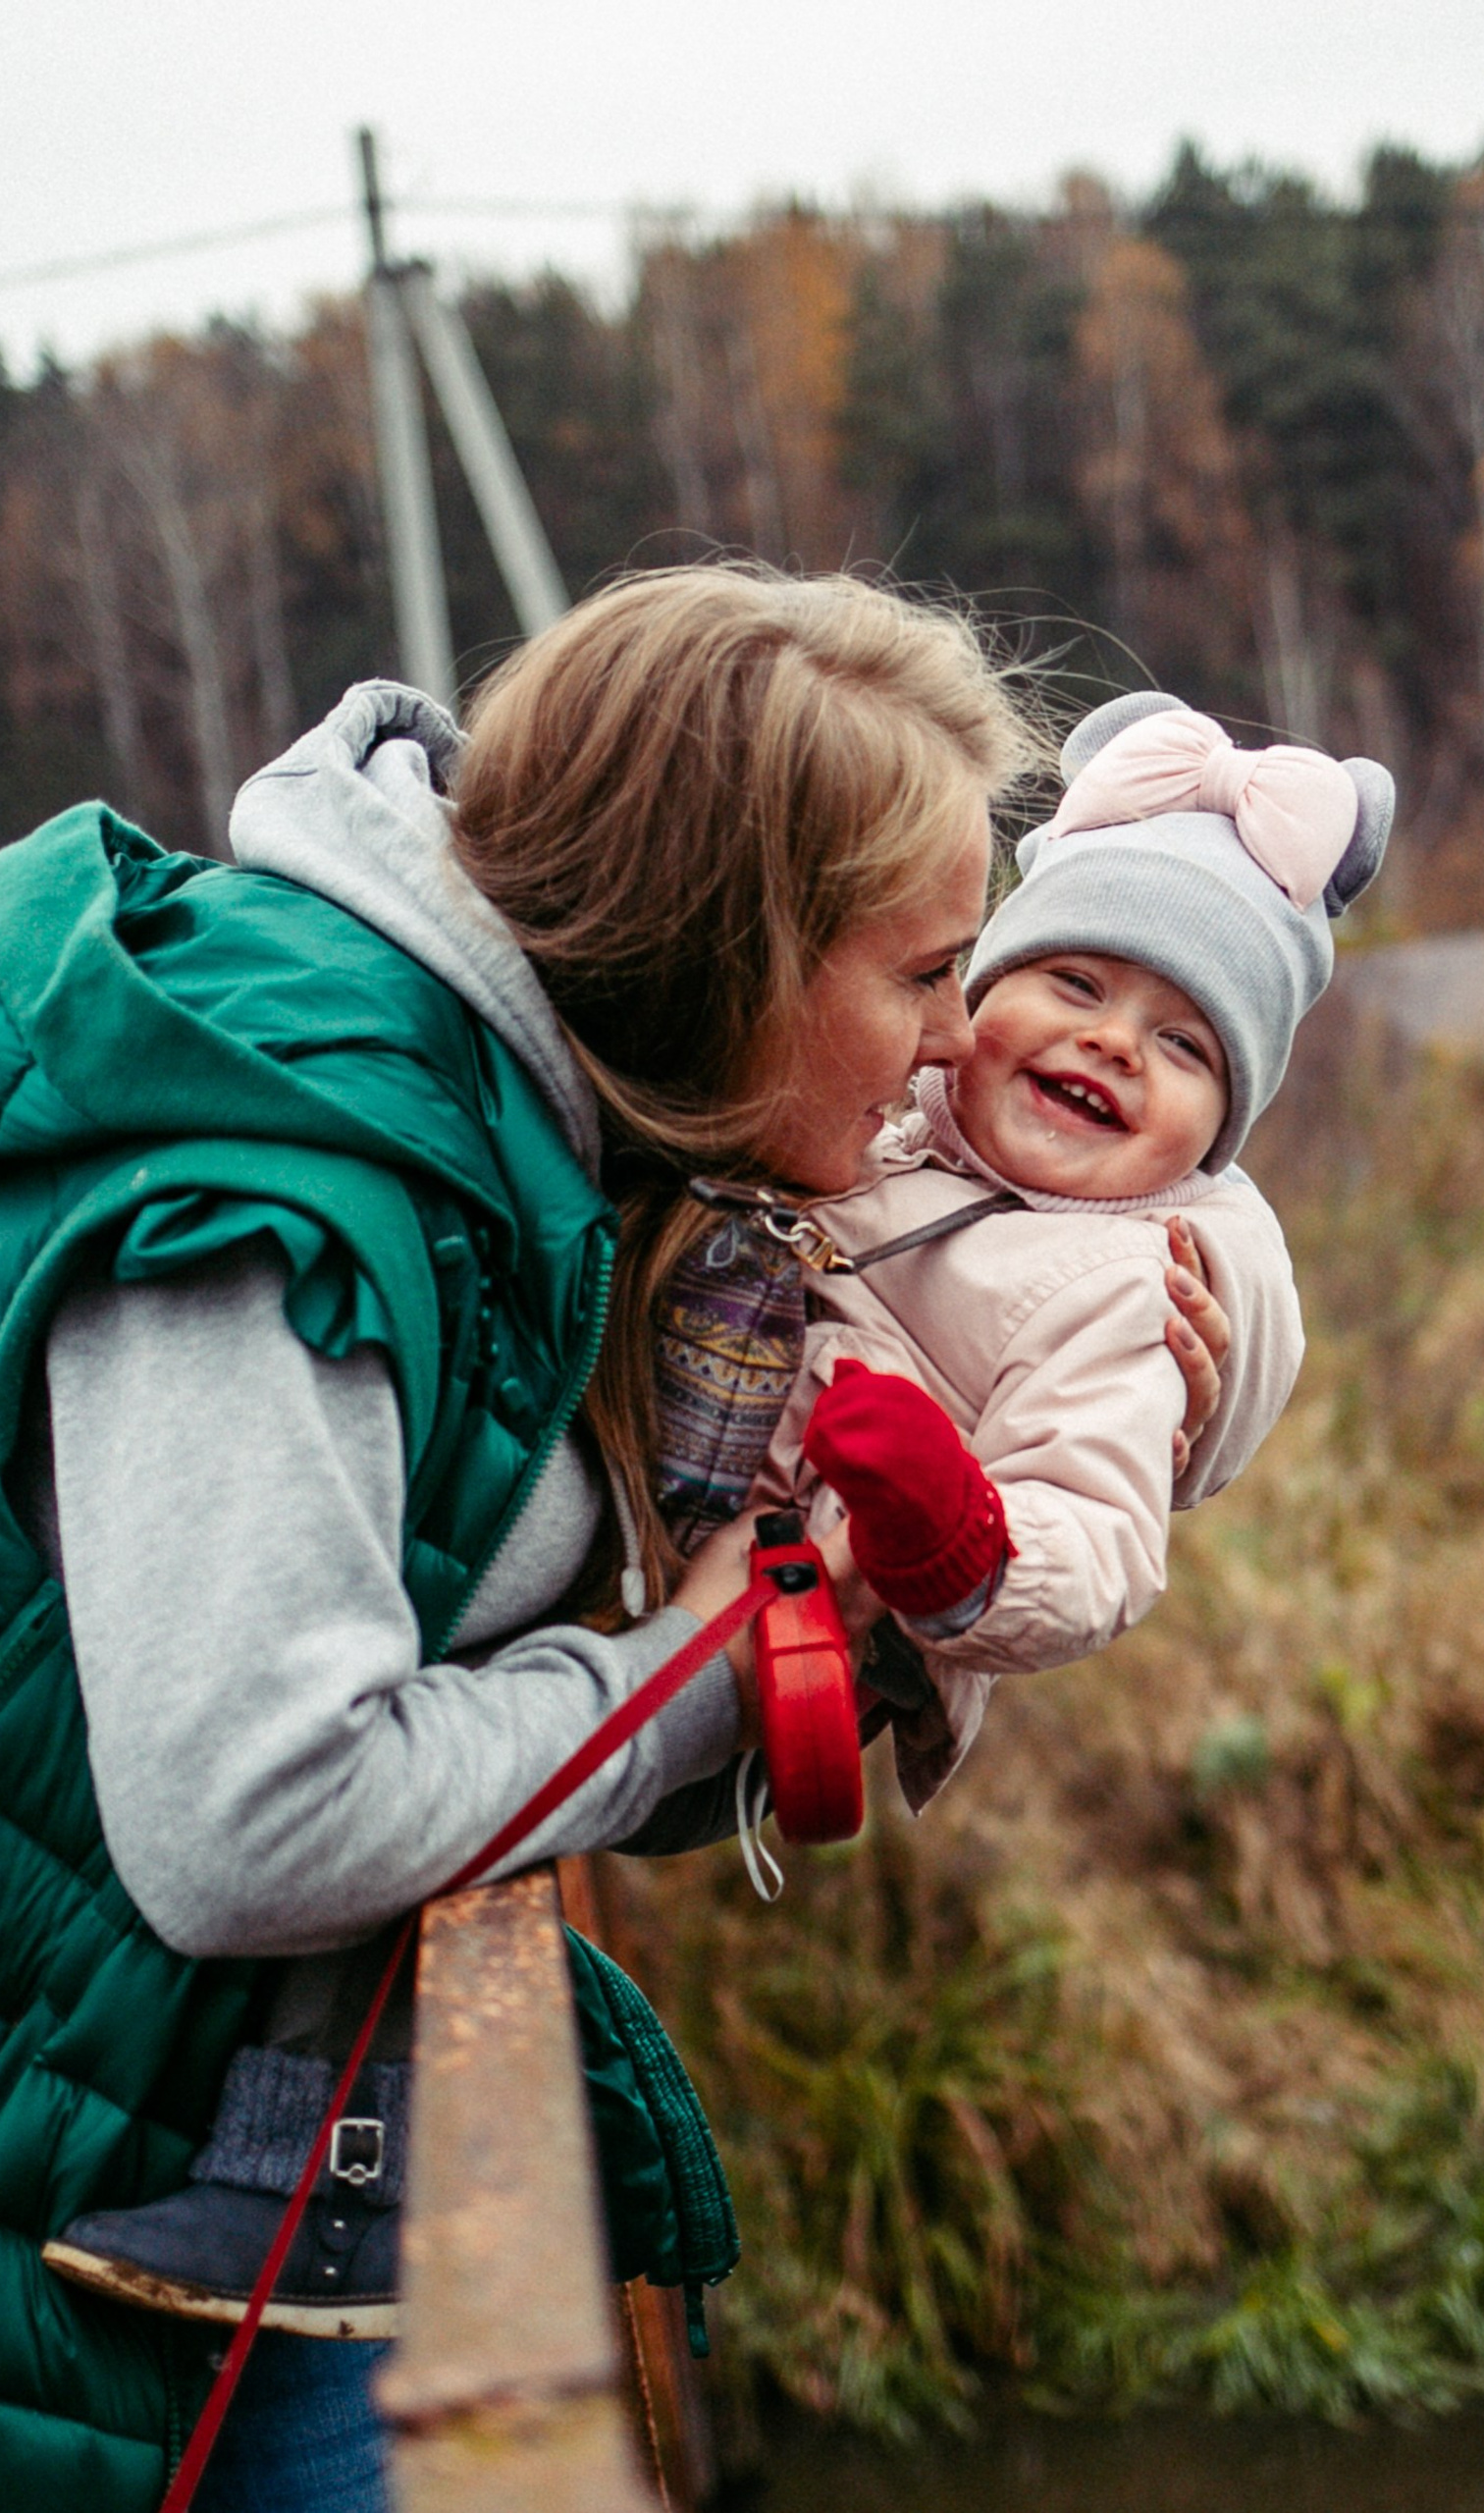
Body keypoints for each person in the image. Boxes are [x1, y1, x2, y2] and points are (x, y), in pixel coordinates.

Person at [0, 566, 1231, 2513]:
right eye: (921, 974)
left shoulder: (547, 1141)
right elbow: (256, 1817)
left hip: (190, 2139)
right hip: (87, 2179)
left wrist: (1146, 1399)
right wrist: (700, 1670)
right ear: (730, 955)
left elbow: (589, 1621)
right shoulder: (280, 1182)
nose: (943, 1051)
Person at [738, 690, 1392, 1828]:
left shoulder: (1131, 1286)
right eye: (1075, 984)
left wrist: (951, 1542)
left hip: (839, 1579)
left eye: (1182, 1043)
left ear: (1219, 1136)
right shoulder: (883, 1099)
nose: (1111, 1042)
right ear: (971, 991)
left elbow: (1095, 1526)